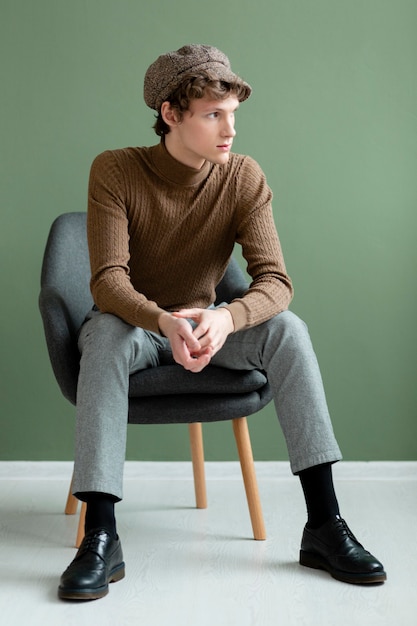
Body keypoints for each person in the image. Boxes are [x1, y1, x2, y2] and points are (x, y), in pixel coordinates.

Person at [58, 44, 386, 600]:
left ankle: (325, 525)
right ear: (170, 114)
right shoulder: (115, 169)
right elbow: (108, 282)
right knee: (107, 340)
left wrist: (226, 319)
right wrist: (163, 320)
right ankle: (102, 535)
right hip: (135, 325)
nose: (229, 129)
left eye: (233, 112)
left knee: (289, 330)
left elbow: (275, 282)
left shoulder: (243, 177)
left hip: (208, 325)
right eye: (213, 114)